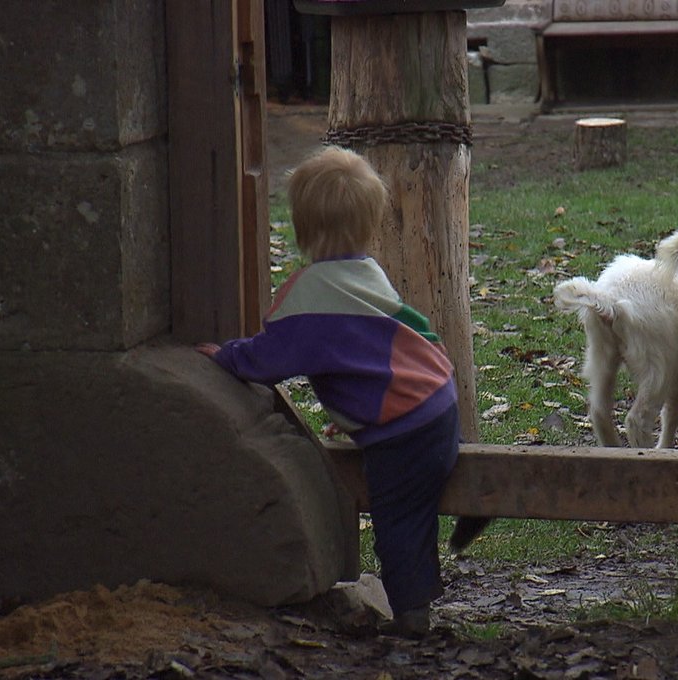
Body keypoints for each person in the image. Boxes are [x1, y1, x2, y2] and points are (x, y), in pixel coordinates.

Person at [195, 145, 478, 637]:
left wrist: (225, 356)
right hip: (436, 396)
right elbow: (366, 357)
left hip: (403, 427)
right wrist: (355, 414)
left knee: (398, 519)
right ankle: (471, 506)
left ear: (304, 227)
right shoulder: (366, 274)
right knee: (419, 497)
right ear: (369, 222)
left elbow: (270, 357)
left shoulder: (310, 295)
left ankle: (412, 615)